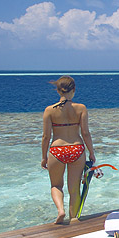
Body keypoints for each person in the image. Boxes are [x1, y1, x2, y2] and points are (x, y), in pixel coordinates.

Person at [41, 76, 95, 223]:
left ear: (58, 91)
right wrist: (91, 152)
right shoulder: (81, 108)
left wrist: (44, 157)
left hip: (57, 150)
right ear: (74, 90)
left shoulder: (49, 110)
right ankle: (73, 218)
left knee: (56, 185)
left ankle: (60, 210)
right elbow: (85, 133)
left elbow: (46, 136)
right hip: (77, 149)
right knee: (74, 187)